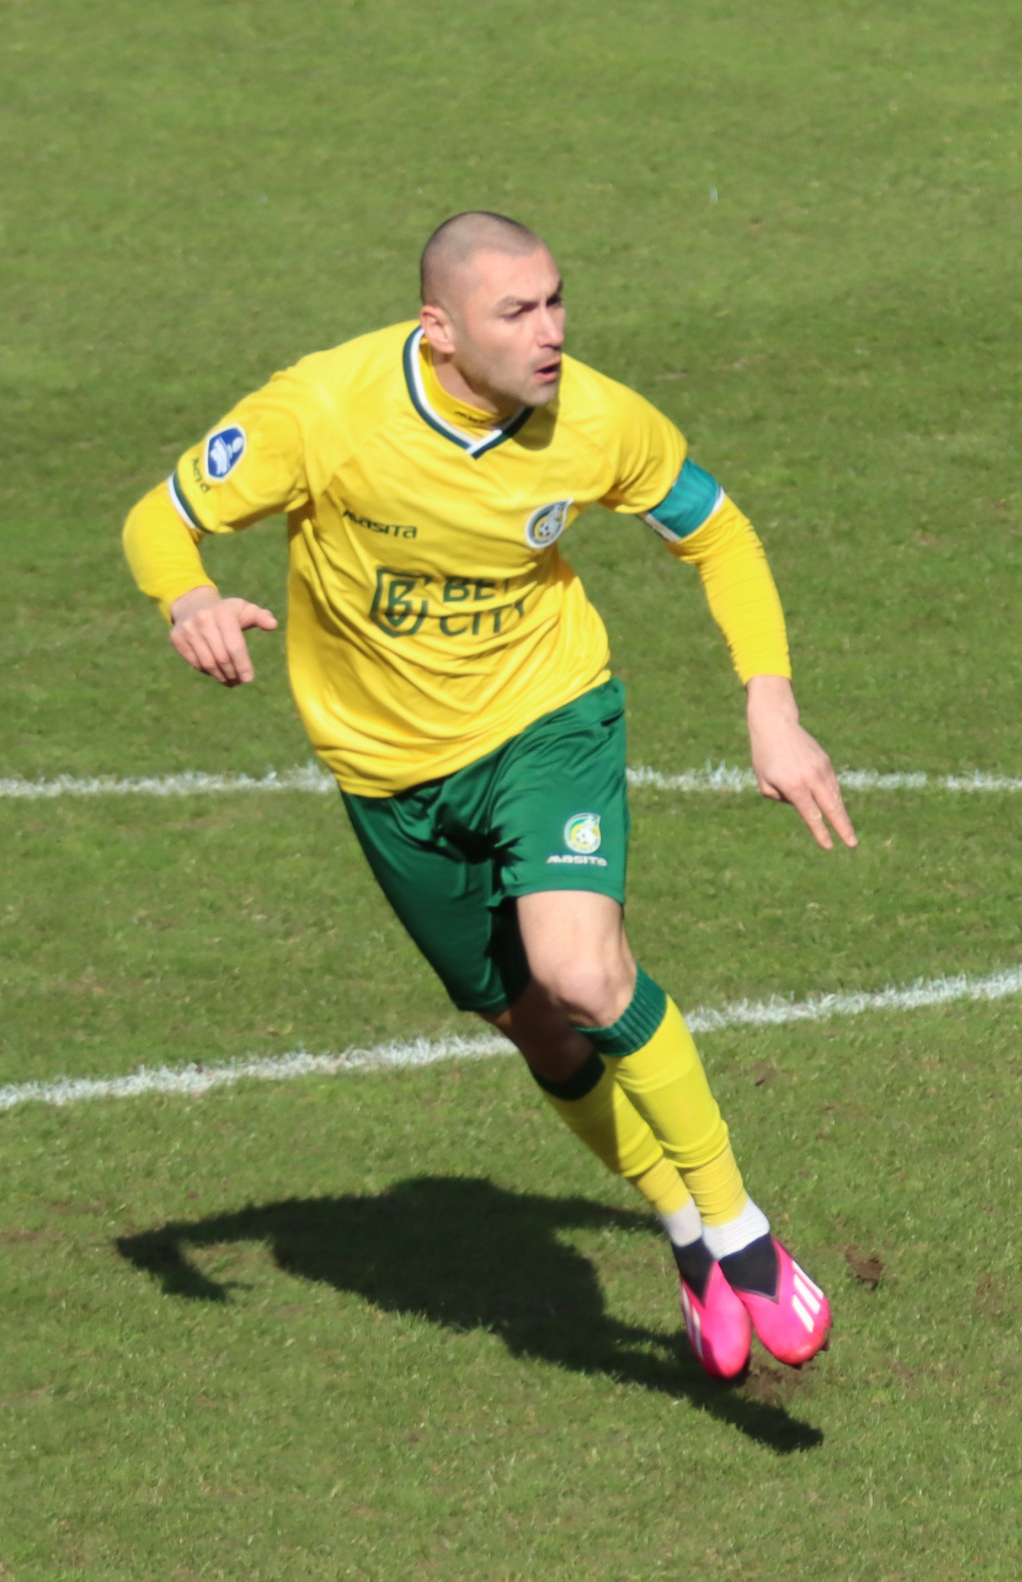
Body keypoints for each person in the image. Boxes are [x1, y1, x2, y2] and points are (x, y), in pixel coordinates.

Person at [121, 211, 850, 1384]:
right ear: (440, 328)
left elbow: (720, 535)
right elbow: (160, 518)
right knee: (530, 1019)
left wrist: (770, 701)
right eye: (518, 312)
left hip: (545, 722)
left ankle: (742, 1230)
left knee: (581, 967)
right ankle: (683, 1231)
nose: (553, 332)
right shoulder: (321, 411)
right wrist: (188, 597)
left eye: (559, 300)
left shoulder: (598, 420)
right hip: (385, 770)